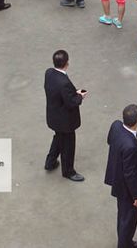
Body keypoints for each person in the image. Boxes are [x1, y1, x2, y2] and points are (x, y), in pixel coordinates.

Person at [104, 104, 137, 248]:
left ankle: (127, 242)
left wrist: (135, 144)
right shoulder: (130, 146)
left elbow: (110, 140)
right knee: (128, 220)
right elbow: (130, 173)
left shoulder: (116, 126)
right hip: (127, 189)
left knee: (123, 217)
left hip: (117, 180)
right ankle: (125, 244)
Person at [44, 49, 86, 181]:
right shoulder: (64, 83)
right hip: (65, 121)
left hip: (54, 116)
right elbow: (71, 102)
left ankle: (50, 162)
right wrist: (80, 96)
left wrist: (73, 92)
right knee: (68, 145)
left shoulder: (49, 73)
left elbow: (62, 93)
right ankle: (68, 171)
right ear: (67, 63)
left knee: (58, 138)